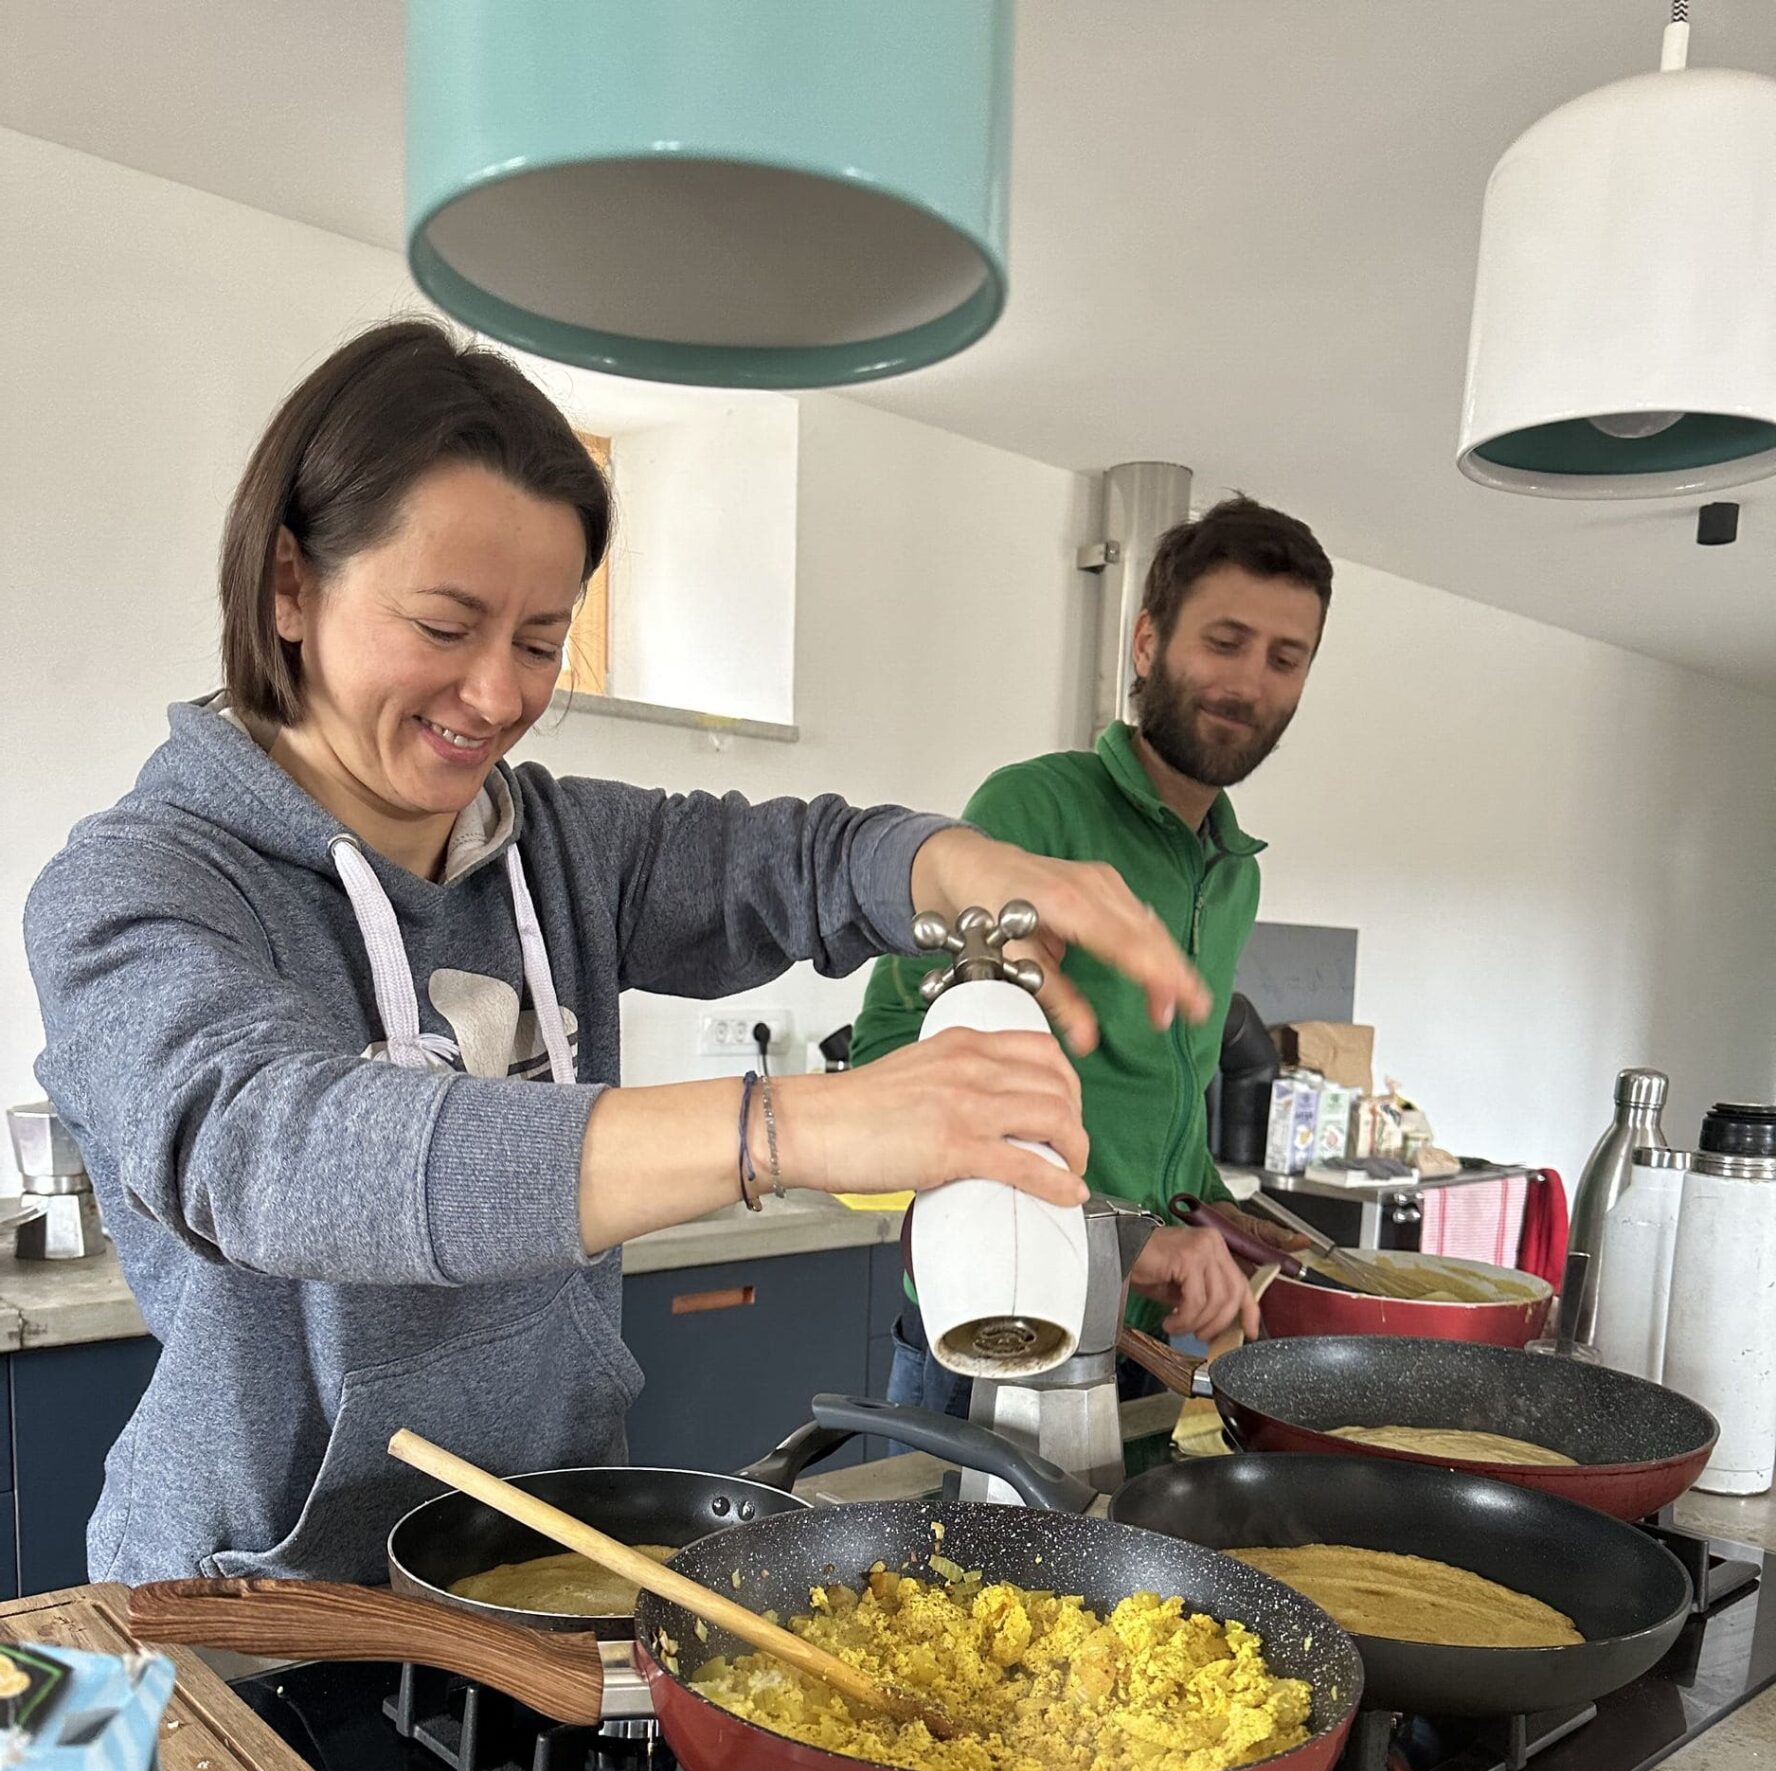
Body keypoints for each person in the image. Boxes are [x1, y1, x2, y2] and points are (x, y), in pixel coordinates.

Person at [24, 321, 1209, 1588]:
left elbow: (804, 862)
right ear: (288, 587)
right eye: (444, 624)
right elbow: (276, 1150)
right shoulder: (127, 889)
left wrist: (962, 869)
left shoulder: (563, 849)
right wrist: (782, 1129)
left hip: (550, 1559)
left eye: (541, 643)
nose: (495, 696)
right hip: (242, 1612)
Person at [848, 496, 1333, 1414]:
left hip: (1133, 1340)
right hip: (991, 1319)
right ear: (1147, 643)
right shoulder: (1032, 813)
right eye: (1224, 642)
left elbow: (1160, 1107)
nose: (1250, 684)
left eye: (1285, 657)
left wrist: (1209, 1213)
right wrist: (1131, 1238)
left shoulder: (1233, 875)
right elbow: (890, 1064)